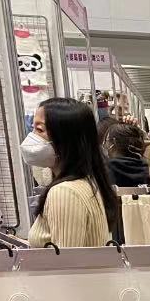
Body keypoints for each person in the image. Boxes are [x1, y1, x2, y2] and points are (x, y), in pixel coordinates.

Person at [22, 97, 118, 248]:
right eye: (33, 128)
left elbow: (67, 259)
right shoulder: (86, 182)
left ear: (65, 137)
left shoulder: (65, 192)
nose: (32, 136)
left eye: (39, 130)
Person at [102, 121, 150, 187]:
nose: (104, 144)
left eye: (106, 140)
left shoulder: (105, 170)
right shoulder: (143, 167)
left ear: (114, 141)